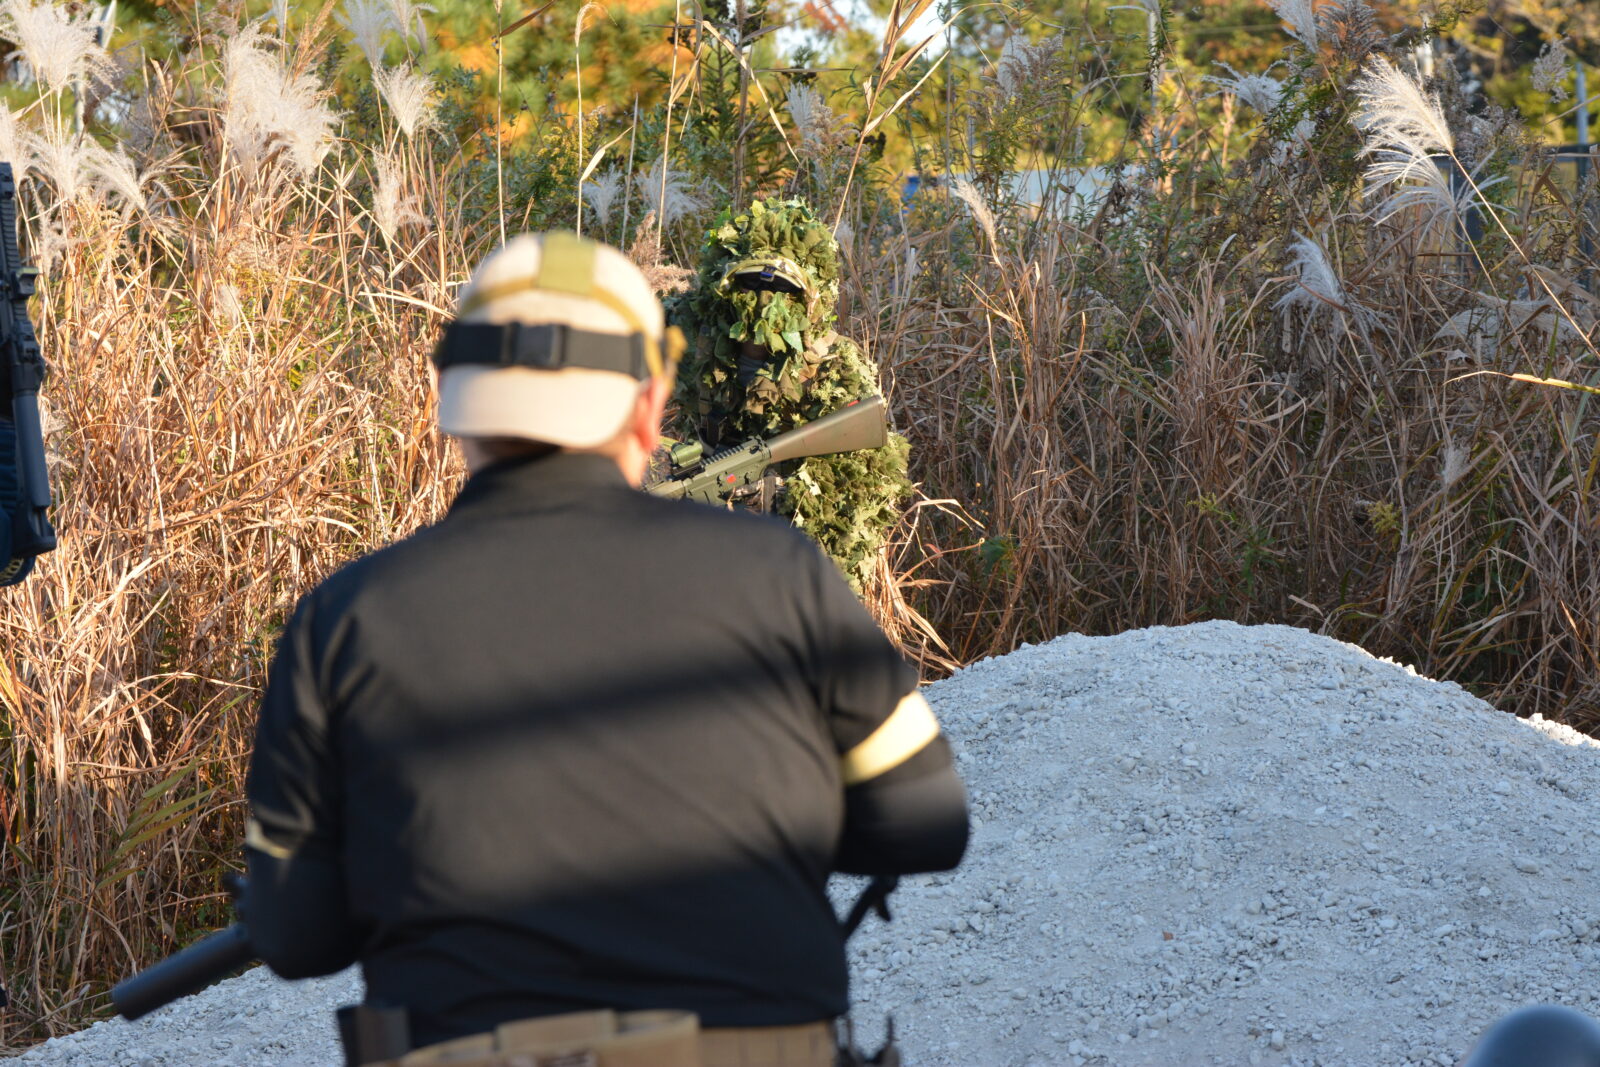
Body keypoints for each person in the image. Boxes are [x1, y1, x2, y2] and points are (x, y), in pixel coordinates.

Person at [242, 232, 969, 1067]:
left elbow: (297, 934)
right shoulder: (782, 572)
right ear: (650, 400)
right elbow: (927, 820)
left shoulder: (342, 619)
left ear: (449, 399)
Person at [669, 197, 910, 591]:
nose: (764, 302)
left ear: (808, 301)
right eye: (751, 287)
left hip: (792, 550)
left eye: (782, 290)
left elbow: (861, 482)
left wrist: (777, 495)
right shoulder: (705, 348)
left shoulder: (832, 367)